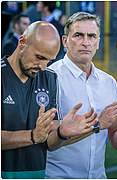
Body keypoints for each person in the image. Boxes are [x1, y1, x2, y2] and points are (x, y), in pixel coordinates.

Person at [1, 21, 97, 179]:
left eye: (49, 60)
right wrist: (32, 136)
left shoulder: (50, 78)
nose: (43, 66)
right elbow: (37, 136)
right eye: (39, 57)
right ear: (22, 42)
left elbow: (48, 143)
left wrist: (61, 133)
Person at [46, 12, 117, 178]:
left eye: (91, 36)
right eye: (78, 35)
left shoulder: (109, 82)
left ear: (98, 42)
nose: (86, 42)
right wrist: (97, 125)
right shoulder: (49, 77)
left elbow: (116, 140)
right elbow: (46, 139)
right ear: (65, 41)